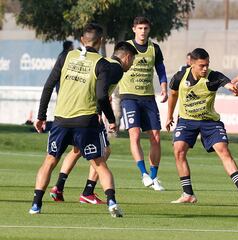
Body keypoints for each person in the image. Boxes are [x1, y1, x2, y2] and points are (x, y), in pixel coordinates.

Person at [29, 23, 124, 217]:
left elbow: (48, 86)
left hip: (61, 120)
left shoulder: (66, 56)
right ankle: (112, 203)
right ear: (101, 41)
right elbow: (101, 97)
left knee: (49, 161)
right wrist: (111, 119)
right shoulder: (102, 63)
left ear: (82, 39)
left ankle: (36, 205)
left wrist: (41, 117)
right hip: (86, 122)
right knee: (99, 163)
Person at [165, 48, 238, 203]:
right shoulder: (180, 77)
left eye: (207, 65)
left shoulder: (214, 77)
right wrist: (169, 115)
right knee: (178, 150)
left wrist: (236, 91)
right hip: (186, 120)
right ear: (192, 64)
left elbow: (229, 85)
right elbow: (174, 95)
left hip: (209, 121)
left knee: (223, 150)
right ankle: (188, 194)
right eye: (201, 65)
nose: (205, 68)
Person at [49, 41, 138, 205]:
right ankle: (88, 192)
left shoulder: (106, 62)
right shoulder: (117, 69)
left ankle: (58, 187)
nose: (131, 65)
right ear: (127, 57)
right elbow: (100, 92)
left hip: (75, 112)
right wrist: (100, 113)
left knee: (76, 150)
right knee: (104, 152)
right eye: (132, 61)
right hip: (90, 115)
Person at [118, 16, 168, 191]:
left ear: (149, 29)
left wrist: (164, 86)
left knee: (155, 137)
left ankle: (154, 177)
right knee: (135, 135)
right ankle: (143, 174)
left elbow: (160, 69)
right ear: (134, 29)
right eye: (140, 28)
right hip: (129, 96)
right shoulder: (125, 47)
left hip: (148, 97)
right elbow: (113, 68)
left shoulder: (154, 49)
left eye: (145, 28)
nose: (143, 31)